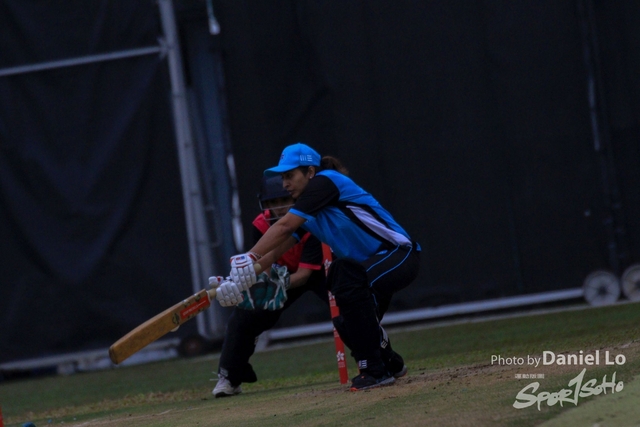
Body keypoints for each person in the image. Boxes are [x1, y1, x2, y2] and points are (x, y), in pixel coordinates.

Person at [217, 142, 421, 391]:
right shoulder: (311, 211)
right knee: (345, 321)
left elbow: (284, 226)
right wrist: (241, 278)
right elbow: (276, 252)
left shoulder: (327, 181)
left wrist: (248, 257)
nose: (285, 184)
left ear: (311, 172)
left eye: (290, 175)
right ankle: (391, 362)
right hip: (368, 268)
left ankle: (375, 372)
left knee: (347, 279)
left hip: (399, 254)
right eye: (283, 177)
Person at [212, 174, 329, 397]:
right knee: (244, 316)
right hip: (280, 273)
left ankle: (379, 360)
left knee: (348, 307)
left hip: (318, 272)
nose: (279, 207)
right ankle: (230, 377)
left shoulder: (310, 220)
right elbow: (263, 263)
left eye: (284, 200)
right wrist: (251, 284)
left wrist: (275, 284)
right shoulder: (261, 223)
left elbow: (304, 275)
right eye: (273, 202)